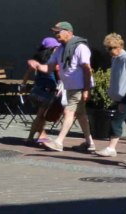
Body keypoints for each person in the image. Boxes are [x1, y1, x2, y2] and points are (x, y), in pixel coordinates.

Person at [42, 21, 98, 153]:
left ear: (68, 32)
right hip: (70, 86)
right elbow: (50, 66)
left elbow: (87, 69)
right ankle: (90, 143)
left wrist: (86, 89)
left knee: (69, 111)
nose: (56, 35)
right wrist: (37, 66)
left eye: (58, 32)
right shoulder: (60, 49)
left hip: (79, 86)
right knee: (81, 115)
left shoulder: (80, 47)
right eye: (54, 32)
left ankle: (59, 142)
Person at [95, 33, 126, 158]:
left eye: (112, 48)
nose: (109, 51)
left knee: (116, 121)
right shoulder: (115, 59)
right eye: (107, 48)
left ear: (120, 46)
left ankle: (111, 148)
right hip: (120, 97)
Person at [24, 35, 62, 145]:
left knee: (41, 116)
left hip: (36, 91)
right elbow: (59, 75)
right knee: (41, 116)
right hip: (48, 92)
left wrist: (23, 85)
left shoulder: (37, 61)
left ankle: (42, 136)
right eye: (55, 47)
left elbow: (28, 73)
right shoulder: (53, 62)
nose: (57, 49)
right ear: (51, 49)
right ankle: (30, 137)